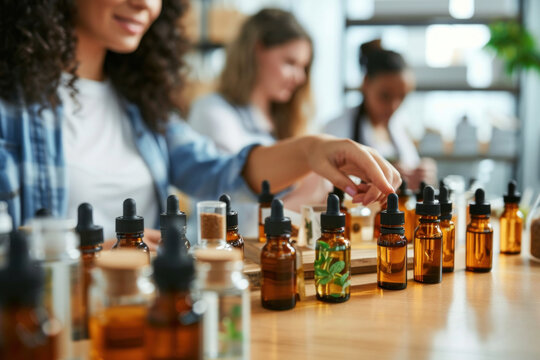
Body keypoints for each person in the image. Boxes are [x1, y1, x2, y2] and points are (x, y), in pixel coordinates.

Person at [0, 0, 400, 250]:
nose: (143, 3)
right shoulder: (9, 107)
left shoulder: (140, 107)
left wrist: (314, 149)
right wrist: (91, 255)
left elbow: (219, 173)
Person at [189, 8, 326, 236]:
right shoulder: (212, 111)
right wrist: (308, 195)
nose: (300, 77)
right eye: (290, 62)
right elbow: (233, 220)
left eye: (304, 67)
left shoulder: (287, 122)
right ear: (257, 50)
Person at [324, 39, 435, 191]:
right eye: (385, 96)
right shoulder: (335, 129)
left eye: (402, 97)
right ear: (366, 83)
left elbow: (411, 170)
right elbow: (323, 187)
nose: (393, 106)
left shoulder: (399, 128)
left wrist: (422, 175)